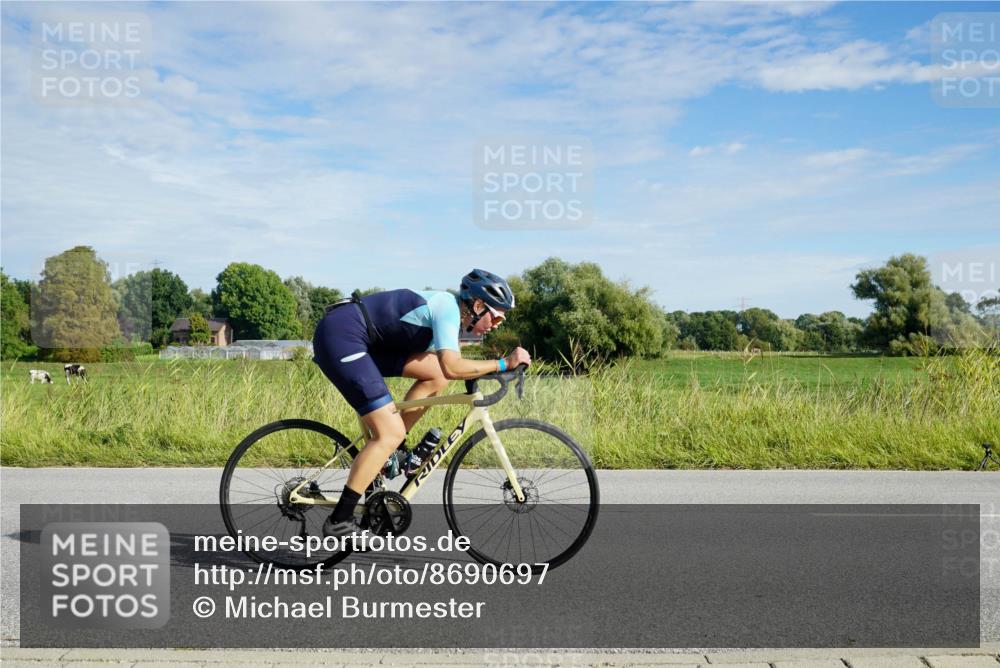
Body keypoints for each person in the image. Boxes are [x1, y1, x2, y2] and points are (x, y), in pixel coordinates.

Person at [312, 269, 531, 538]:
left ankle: (393, 453)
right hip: (342, 337)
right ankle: (340, 520)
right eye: (496, 316)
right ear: (477, 306)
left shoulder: (451, 317)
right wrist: (504, 363)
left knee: (436, 375)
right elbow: (454, 367)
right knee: (388, 433)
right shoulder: (447, 308)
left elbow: (446, 368)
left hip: (364, 340)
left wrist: (485, 371)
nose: (497, 324)